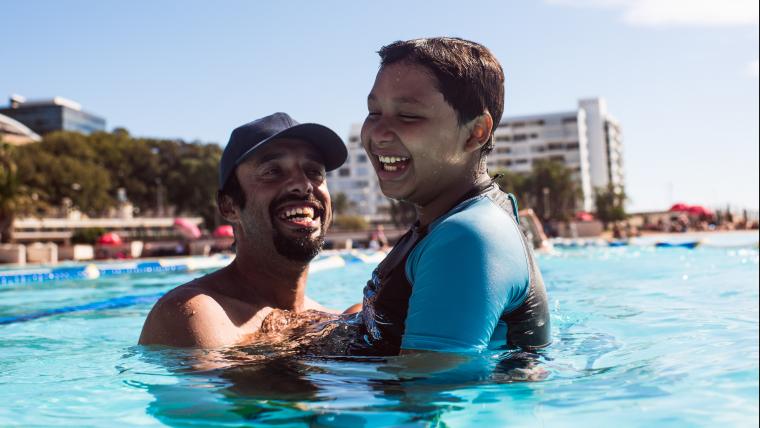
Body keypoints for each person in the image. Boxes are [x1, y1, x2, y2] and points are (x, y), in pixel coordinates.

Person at [348, 37, 551, 355]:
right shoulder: (443, 220)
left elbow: (429, 393)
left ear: (475, 133)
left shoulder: (468, 238)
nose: (378, 133)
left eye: (409, 116)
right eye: (374, 112)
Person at [138, 112, 348, 348]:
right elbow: (228, 385)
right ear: (229, 206)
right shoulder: (193, 312)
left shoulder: (336, 320)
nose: (303, 184)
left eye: (314, 172)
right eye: (273, 172)